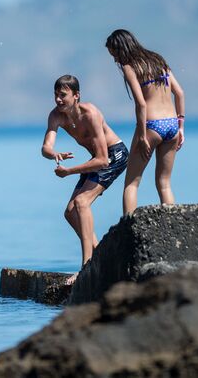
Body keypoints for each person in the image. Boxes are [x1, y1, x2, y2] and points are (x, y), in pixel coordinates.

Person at [41, 75, 128, 281]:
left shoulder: (91, 114)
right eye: (56, 95)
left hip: (113, 155)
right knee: (70, 213)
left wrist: (69, 171)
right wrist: (53, 154)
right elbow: (45, 147)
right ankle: (100, 256)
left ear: (76, 95)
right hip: (97, 159)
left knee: (81, 203)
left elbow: (103, 160)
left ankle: (86, 266)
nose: (58, 100)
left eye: (63, 95)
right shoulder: (56, 116)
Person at [105, 30, 185, 215]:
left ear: (122, 49)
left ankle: (128, 230)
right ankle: (171, 226)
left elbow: (141, 104)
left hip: (151, 126)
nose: (116, 60)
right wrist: (181, 127)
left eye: (115, 54)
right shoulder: (158, 60)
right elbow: (179, 93)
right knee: (164, 183)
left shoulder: (130, 67)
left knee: (131, 183)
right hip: (172, 125)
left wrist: (142, 135)